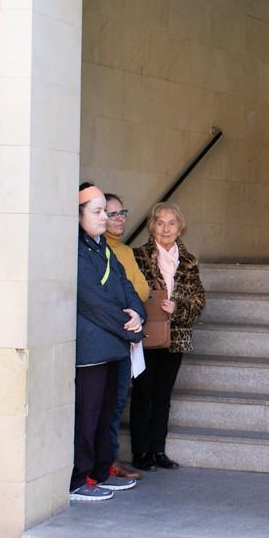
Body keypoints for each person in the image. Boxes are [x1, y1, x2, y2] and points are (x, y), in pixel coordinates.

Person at [71, 183, 144, 502]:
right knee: (88, 416)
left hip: (115, 346)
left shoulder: (103, 248)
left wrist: (139, 315)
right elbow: (91, 299)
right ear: (78, 215)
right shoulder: (74, 249)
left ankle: (101, 471)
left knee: (108, 415)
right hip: (93, 349)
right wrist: (129, 328)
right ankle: (78, 478)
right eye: (98, 212)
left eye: (107, 211)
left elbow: (126, 286)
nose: (106, 218)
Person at [131, 203, 206, 471]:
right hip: (147, 334)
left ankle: (158, 451)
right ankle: (141, 453)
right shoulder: (138, 256)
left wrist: (179, 307)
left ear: (180, 227)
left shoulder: (189, 260)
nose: (166, 228)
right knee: (143, 394)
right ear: (152, 226)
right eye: (160, 222)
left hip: (177, 335)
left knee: (163, 396)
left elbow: (199, 299)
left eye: (172, 223)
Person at [103, 193, 150, 480]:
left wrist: (131, 308)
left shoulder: (125, 251)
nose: (120, 219)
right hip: (108, 333)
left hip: (126, 333)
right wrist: (126, 305)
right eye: (112, 213)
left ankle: (110, 461)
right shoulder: (94, 250)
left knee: (117, 402)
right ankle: (102, 464)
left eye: (123, 213)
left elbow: (142, 290)